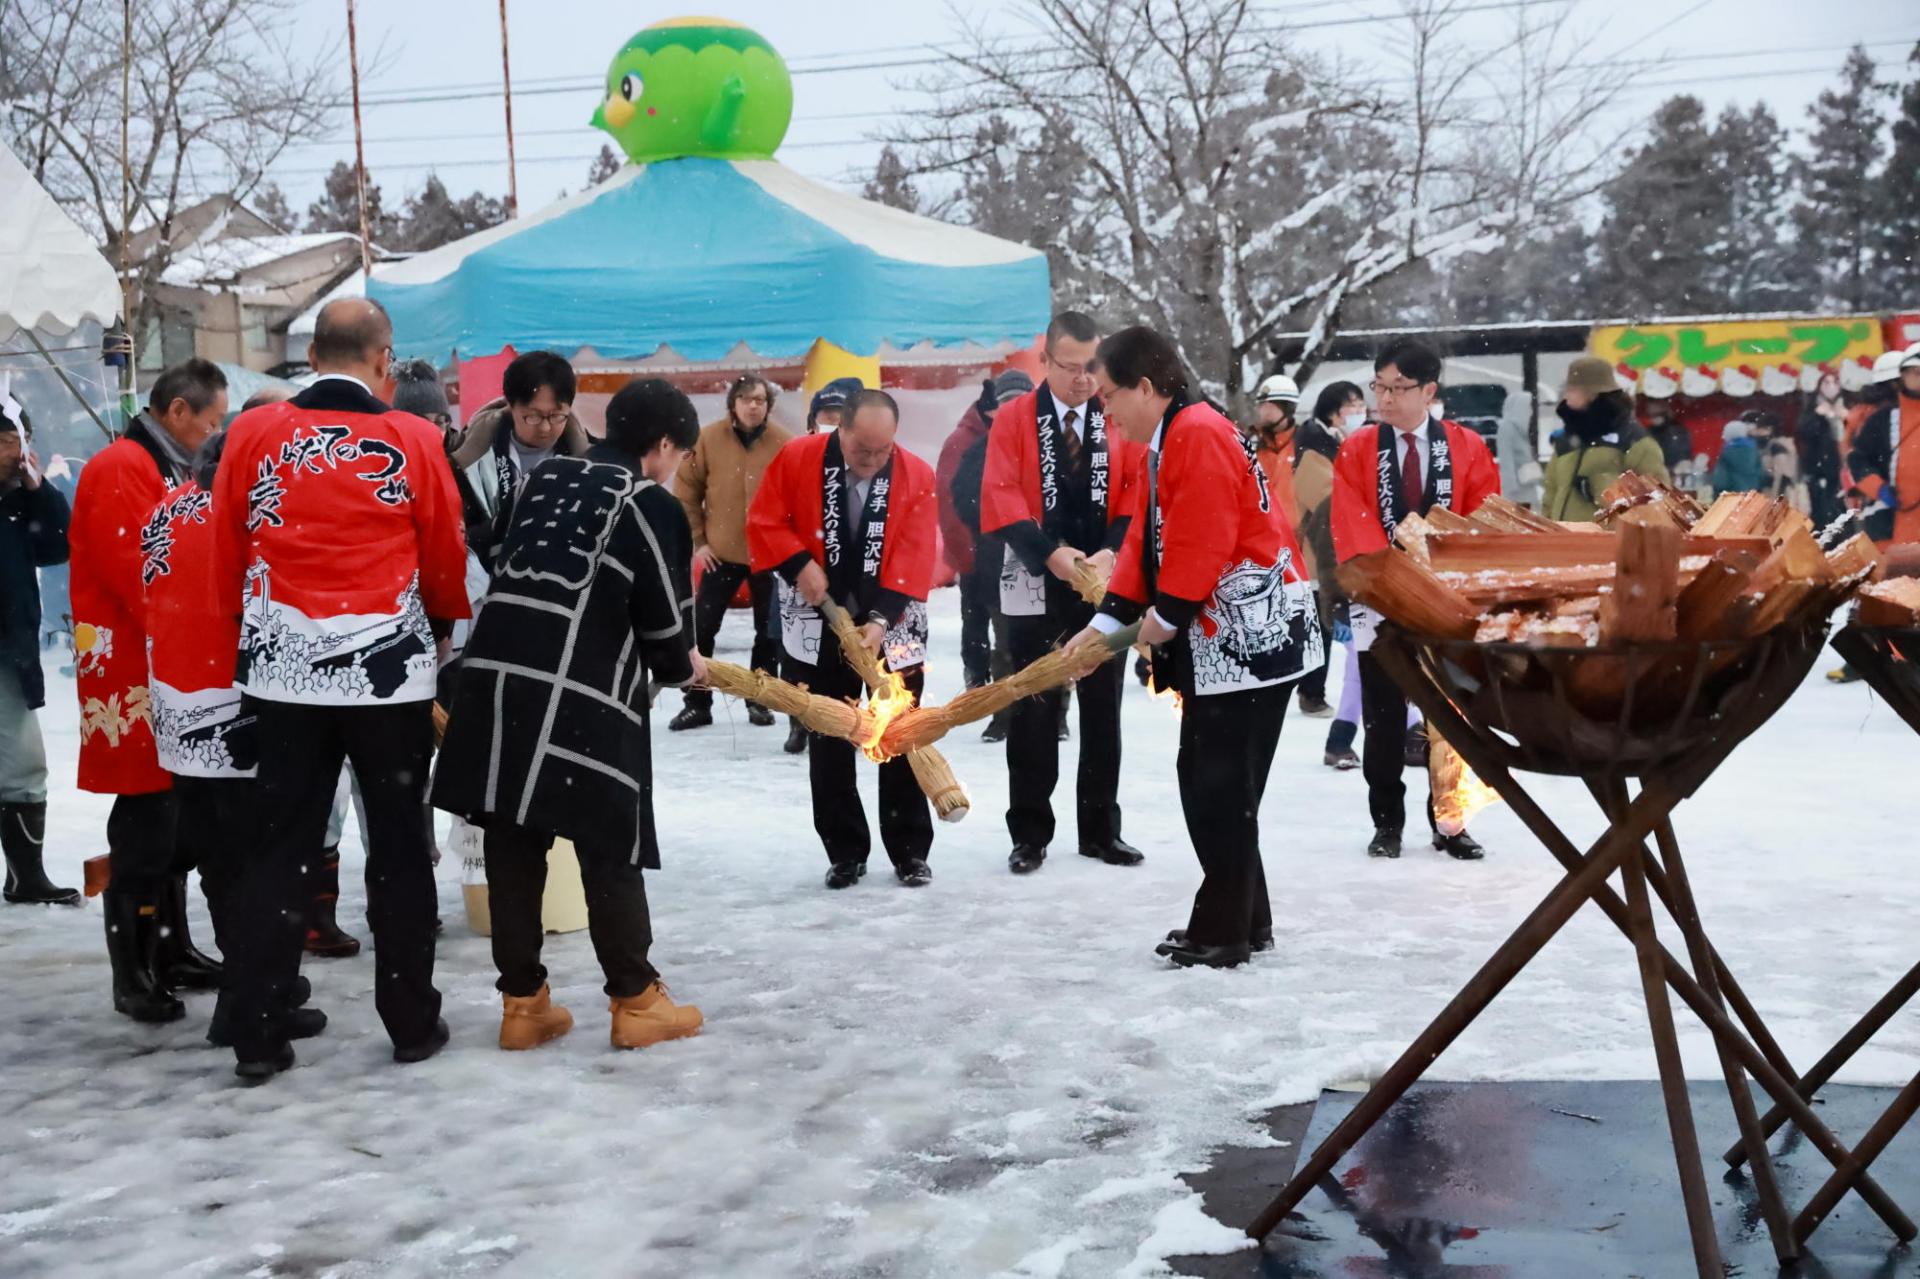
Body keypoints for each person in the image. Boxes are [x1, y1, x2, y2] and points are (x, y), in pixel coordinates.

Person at [209, 298, 469, 1084]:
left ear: (313, 354)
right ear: (384, 359)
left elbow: (226, 543)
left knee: (279, 847)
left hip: (284, 674)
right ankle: (410, 1019)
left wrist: (241, 639)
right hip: (384, 676)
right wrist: (444, 625)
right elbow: (444, 554)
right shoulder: (414, 438)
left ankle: (257, 1029)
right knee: (396, 846)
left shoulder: (253, 434)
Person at [434, 378, 707, 1053]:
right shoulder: (650, 503)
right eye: (679, 453)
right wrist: (685, 665)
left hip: (496, 680)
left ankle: (523, 1003)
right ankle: (636, 998)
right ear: (664, 444)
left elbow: (498, 554)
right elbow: (667, 630)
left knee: (513, 835)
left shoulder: (548, 477)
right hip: (577, 691)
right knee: (608, 837)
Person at [1066, 326, 1323, 969]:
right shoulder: (1177, 432)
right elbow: (1147, 543)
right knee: (1223, 789)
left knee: (1215, 787)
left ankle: (1223, 932)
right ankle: (1246, 921)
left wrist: (1171, 611)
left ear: (1146, 388)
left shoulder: (1197, 432)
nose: (1105, 410)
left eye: (1108, 396)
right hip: (1233, 641)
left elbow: (1205, 534)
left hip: (1250, 639)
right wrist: (1108, 623)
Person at [142, 432, 325, 1047]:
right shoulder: (251, 520)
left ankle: (248, 996)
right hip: (243, 713)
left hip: (178, 713)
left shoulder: (164, 512)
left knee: (221, 866)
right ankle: (256, 1007)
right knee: (267, 868)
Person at [69, 359, 229, 1022]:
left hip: (165, 661)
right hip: (131, 664)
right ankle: (131, 967)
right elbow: (139, 572)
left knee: (176, 817)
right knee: (144, 813)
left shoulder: (167, 466)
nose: (216, 432)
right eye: (213, 420)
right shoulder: (120, 467)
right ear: (178, 412)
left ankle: (171, 947)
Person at [749, 388, 939, 889]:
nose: (873, 461)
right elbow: (765, 519)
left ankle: (909, 850)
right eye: (862, 450)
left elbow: (917, 552)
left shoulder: (916, 473)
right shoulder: (798, 457)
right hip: (817, 614)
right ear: (840, 429)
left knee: (900, 732)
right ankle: (844, 849)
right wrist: (798, 563)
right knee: (830, 733)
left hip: (891, 621)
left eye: (883, 451)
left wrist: (879, 621)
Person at [981, 312, 1145, 875]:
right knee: (1033, 705)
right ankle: (1029, 832)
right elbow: (999, 495)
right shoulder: (1014, 418)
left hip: (1104, 579)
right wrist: (1050, 553)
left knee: (1103, 710)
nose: (1082, 380)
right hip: (1033, 576)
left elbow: (1135, 490)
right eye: (1070, 367)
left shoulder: (1115, 413)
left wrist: (1110, 553)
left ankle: (1102, 830)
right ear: (1044, 361)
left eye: (1090, 368)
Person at [1330, 339, 1500, 862]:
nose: (1384, 398)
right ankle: (1387, 822)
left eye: (1397, 388)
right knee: (1382, 717)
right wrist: (1391, 575)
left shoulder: (1467, 446)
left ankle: (1450, 821)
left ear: (1429, 390)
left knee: (1451, 717)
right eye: (1378, 386)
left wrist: (1438, 575)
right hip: (1381, 598)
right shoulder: (1358, 448)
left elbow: (1483, 517)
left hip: (1446, 601)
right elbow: (1349, 519)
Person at [669, 373, 791, 732]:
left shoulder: (783, 442)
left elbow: (798, 496)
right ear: (733, 403)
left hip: (769, 555)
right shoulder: (707, 438)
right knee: (702, 629)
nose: (754, 405)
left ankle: (760, 699)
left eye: (761, 399)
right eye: (747, 399)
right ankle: (697, 701)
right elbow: (686, 490)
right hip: (720, 553)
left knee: (769, 634)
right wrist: (699, 542)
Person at [0, 402, 77, 906]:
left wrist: (35, 487)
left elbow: (57, 548)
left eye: (22, 439)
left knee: (24, 766)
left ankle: (27, 877)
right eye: (9, 441)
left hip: (11, 645)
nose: (17, 452)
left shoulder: (19, 498)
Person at [937, 369, 1033, 734]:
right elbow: (955, 502)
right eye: (1006, 403)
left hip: (1039, 561)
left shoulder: (1045, 440)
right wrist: (982, 538)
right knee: (997, 636)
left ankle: (1049, 712)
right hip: (987, 559)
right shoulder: (972, 444)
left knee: (1046, 638)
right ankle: (995, 707)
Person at [448, 350, 589, 574]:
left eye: (556, 416)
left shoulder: (591, 464)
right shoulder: (469, 461)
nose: (545, 427)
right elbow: (457, 537)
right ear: (511, 406)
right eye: (533, 416)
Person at [1297, 382, 1366, 768]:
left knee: (1363, 654)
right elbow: (1328, 505)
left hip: (1347, 561)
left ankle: (1341, 736)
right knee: (1358, 651)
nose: (1359, 410)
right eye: (1351, 404)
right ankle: (1320, 706)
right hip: (1331, 563)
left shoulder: (1344, 445)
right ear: (1332, 411)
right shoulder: (1313, 452)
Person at [1541, 357, 1669, 522]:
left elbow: (1656, 503)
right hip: (1563, 541)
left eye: (1573, 390)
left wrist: (1601, 487)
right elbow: (1550, 493)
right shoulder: (1566, 440)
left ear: (1592, 394)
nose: (1566, 395)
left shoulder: (1633, 440)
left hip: (1611, 544)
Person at [1847, 343, 1920, 545]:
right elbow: (1856, 458)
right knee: (1897, 573)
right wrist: (1878, 489)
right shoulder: (1882, 418)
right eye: (1914, 372)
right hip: (1889, 521)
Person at [1495, 388, 1542, 510]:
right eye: (1527, 407)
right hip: (1518, 493)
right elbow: (1506, 461)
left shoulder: (1520, 429)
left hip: (1528, 486)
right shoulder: (1507, 428)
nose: (1530, 412)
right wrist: (1511, 491)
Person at [1711, 418, 1766, 496]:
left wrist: (1716, 494)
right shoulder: (1754, 450)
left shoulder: (1726, 452)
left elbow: (1721, 480)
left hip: (1732, 496)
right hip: (1752, 496)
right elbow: (1761, 475)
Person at [1645, 398, 1694, 476]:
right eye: (1651, 415)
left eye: (1658, 414)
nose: (1654, 418)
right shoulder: (1647, 432)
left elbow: (1683, 461)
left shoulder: (1678, 432)